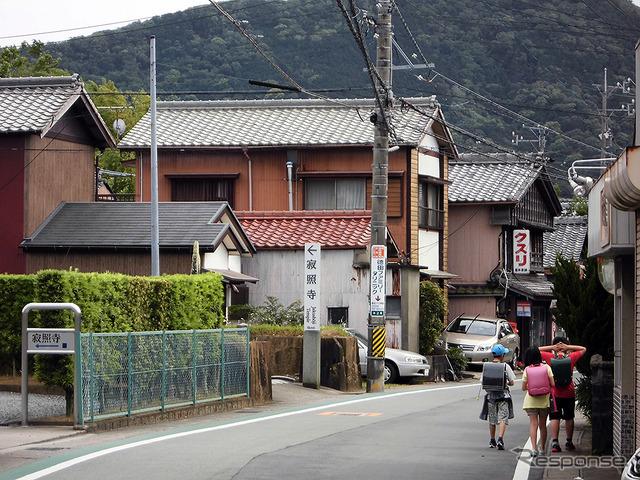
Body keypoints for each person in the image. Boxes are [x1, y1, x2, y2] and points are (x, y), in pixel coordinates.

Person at [539, 337, 586, 452]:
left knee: (555, 417)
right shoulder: (571, 357)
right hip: (569, 392)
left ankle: (555, 443)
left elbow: (536, 350)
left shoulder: (550, 357)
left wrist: (552, 348)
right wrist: (568, 347)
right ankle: (569, 442)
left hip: (554, 393)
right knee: (569, 417)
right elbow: (583, 349)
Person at [479, 344, 516, 450]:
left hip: (490, 397)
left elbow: (482, 381)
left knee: (492, 419)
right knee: (502, 418)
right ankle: (500, 439)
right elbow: (512, 382)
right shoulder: (505, 366)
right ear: (502, 355)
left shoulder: (487, 366)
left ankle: (492, 440)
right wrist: (507, 382)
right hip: (503, 396)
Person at [521, 346, 555, 457]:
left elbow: (524, 388)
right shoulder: (547, 367)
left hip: (531, 401)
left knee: (533, 424)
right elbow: (553, 384)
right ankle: (542, 448)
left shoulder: (527, 369)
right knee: (542, 425)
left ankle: (534, 449)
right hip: (544, 401)